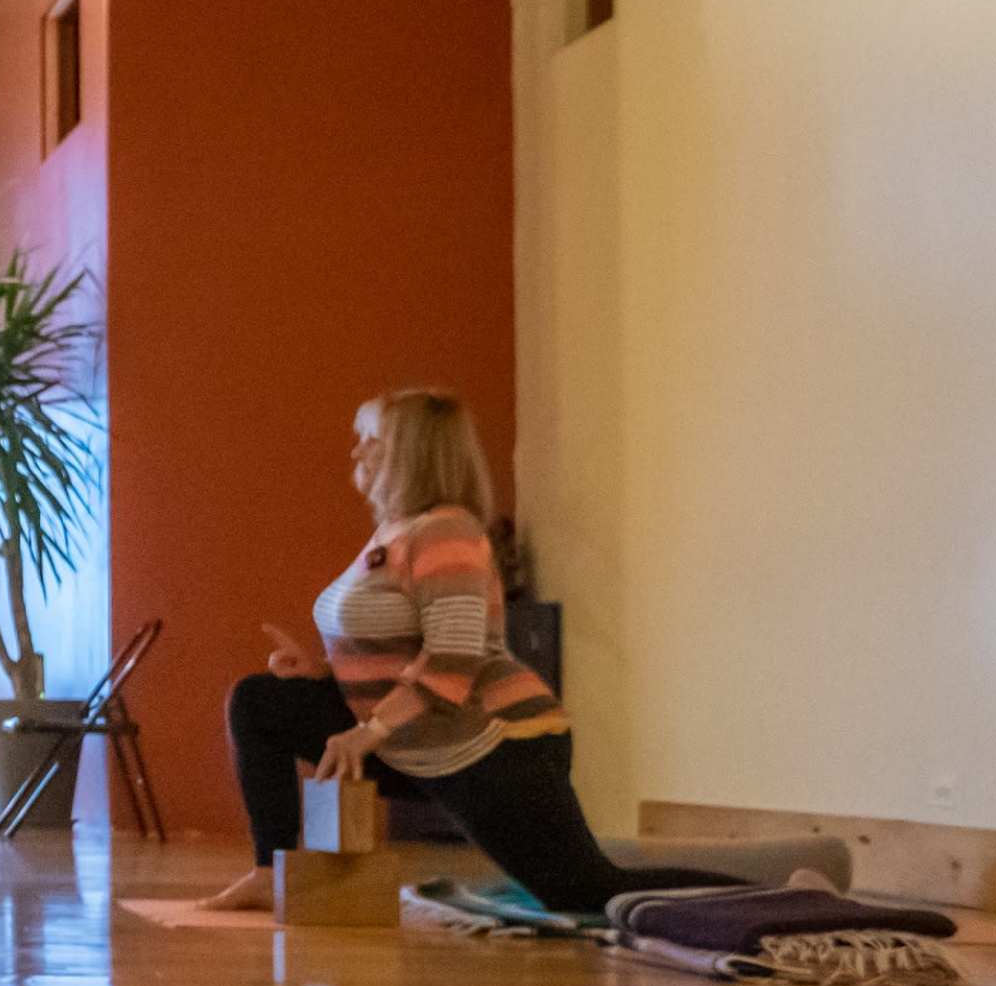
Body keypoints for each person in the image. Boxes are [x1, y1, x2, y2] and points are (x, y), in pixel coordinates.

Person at [203, 388, 737, 917]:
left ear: (410, 454)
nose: (356, 451)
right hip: (414, 738)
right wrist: (322, 672)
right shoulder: (393, 532)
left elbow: (452, 660)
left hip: (495, 743)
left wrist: (369, 730)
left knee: (586, 891)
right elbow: (398, 647)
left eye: (370, 440)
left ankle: (766, 896)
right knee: (262, 701)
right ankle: (269, 872)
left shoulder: (447, 533)